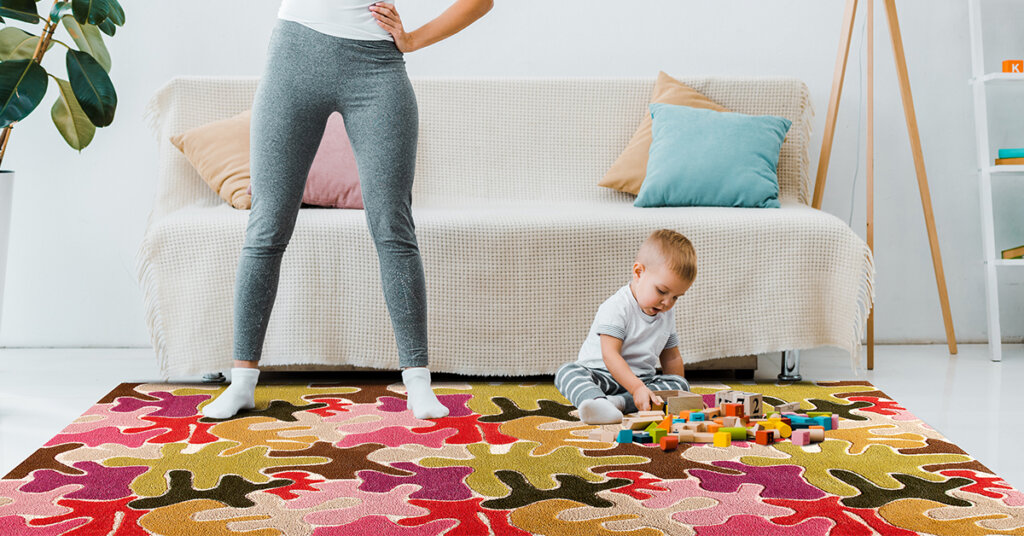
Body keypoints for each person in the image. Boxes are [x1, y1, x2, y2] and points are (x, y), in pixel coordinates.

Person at [202, 0, 494, 420]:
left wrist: (412, 40)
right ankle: (242, 382)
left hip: (376, 66)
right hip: (295, 54)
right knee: (267, 225)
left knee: (393, 226)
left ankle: (417, 383)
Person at [554, 229, 697, 425]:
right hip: (602, 376)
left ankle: (616, 403)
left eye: (675, 297)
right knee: (567, 372)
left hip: (644, 381)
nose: (667, 303)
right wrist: (636, 388)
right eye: (662, 291)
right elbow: (610, 355)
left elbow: (671, 356)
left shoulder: (666, 314)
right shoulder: (617, 306)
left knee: (679, 384)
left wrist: (680, 398)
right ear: (639, 272)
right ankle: (595, 400)